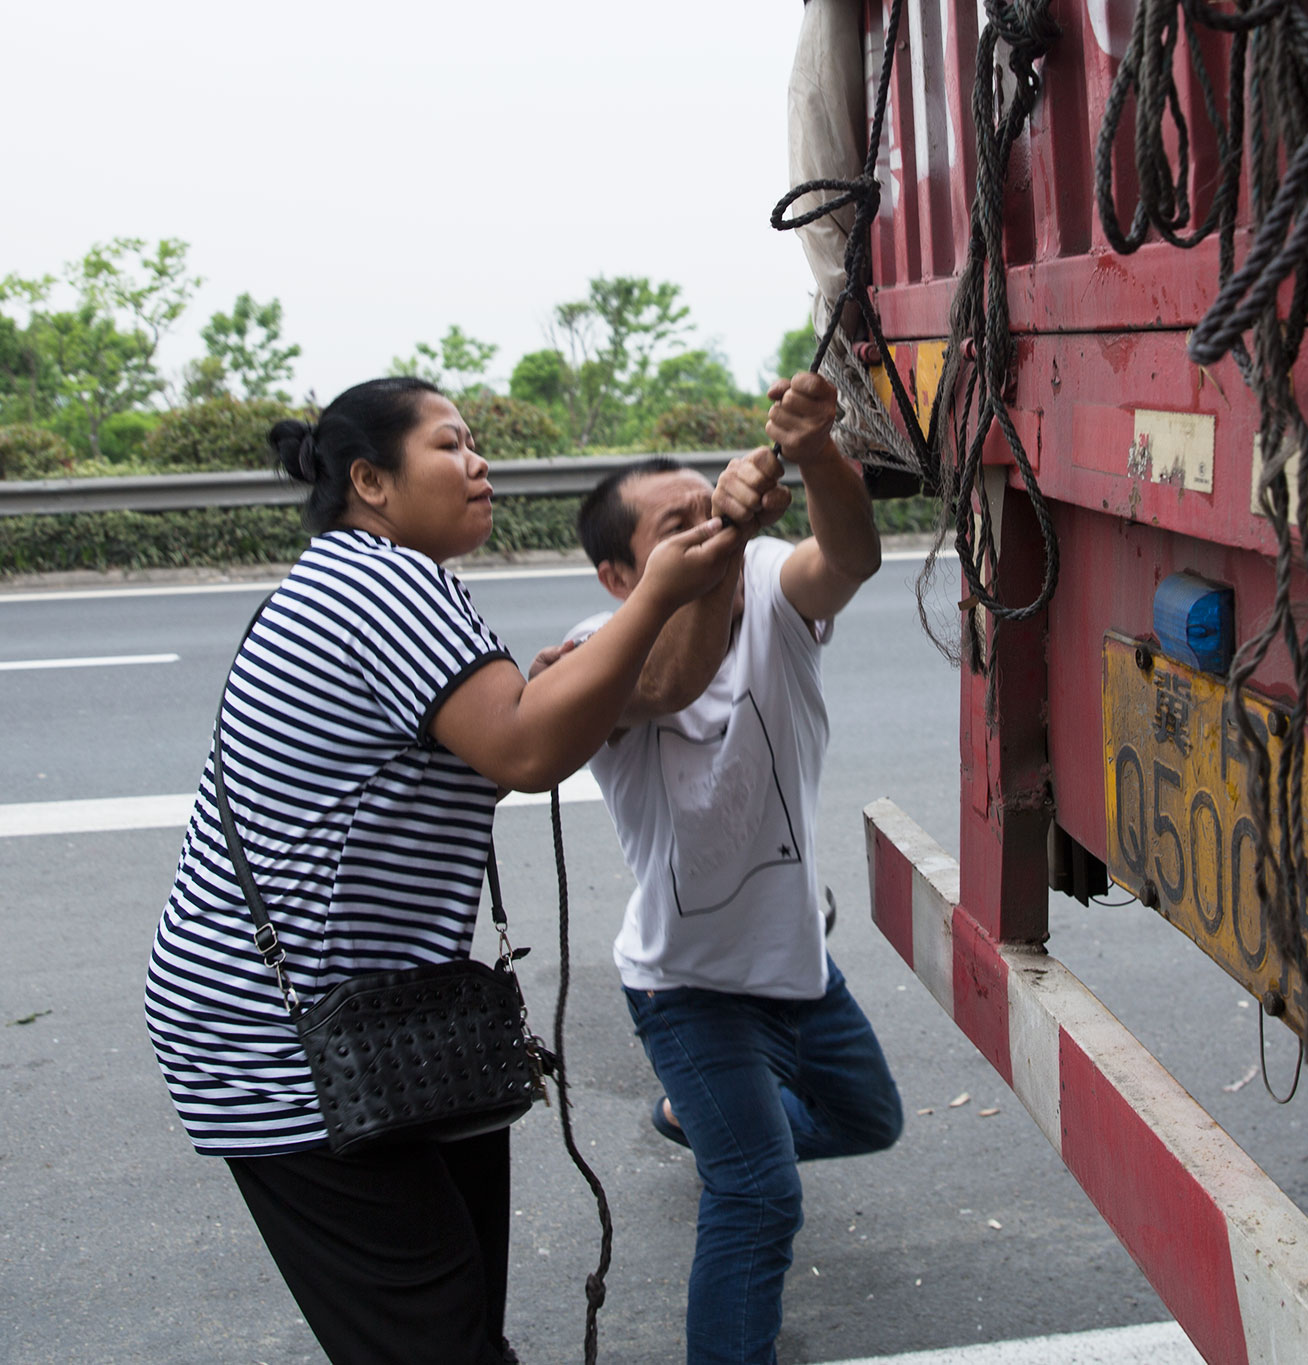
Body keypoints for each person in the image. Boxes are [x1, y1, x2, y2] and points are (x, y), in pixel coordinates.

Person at [143, 375, 744, 1365]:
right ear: (370, 482)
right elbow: (525, 749)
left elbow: (659, 686)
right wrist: (655, 593)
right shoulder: (380, 583)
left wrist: (716, 563)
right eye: (450, 444)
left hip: (393, 1024)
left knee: (452, 1324)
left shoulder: (378, 579)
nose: (479, 463)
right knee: (437, 1342)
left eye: (475, 444)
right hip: (288, 1040)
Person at [539, 372, 904, 1365]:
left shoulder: (771, 583)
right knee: (757, 1196)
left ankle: (693, 1116)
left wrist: (816, 454)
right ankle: (723, 1123)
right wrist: (730, 535)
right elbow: (666, 683)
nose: (711, 526)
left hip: (794, 962)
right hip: (687, 986)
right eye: (679, 527)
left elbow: (850, 558)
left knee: (868, 1118)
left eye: (713, 505)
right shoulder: (595, 652)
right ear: (619, 577)